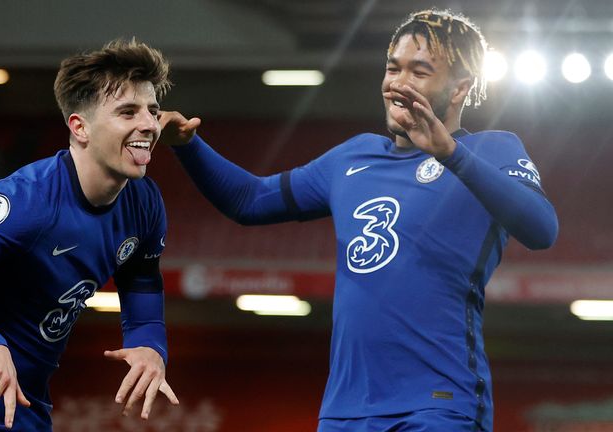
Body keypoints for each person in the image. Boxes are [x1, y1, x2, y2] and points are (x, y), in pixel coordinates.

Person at [160, 9, 558, 432]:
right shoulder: (353, 157)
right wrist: (188, 145)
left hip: (439, 407)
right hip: (345, 412)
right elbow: (250, 200)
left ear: (460, 88)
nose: (398, 83)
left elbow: (542, 229)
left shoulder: (491, 150)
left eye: (419, 72)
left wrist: (451, 155)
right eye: (393, 68)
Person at [0, 39, 179, 431]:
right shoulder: (26, 201)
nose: (149, 124)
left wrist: (151, 348)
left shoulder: (144, 204)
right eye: (128, 112)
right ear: (80, 127)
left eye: (152, 111)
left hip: (25, 409)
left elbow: (143, 289)